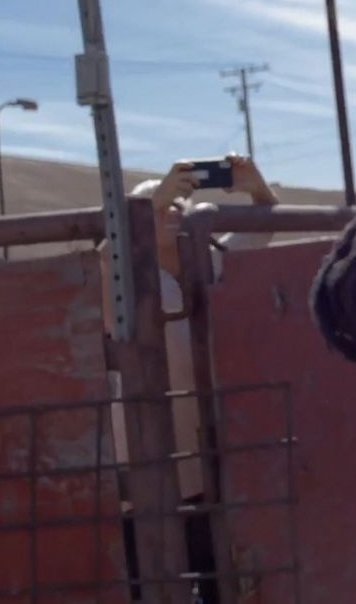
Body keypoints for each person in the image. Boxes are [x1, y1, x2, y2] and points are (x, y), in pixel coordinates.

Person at [122, 154, 279, 600]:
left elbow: (264, 224)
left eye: (177, 204)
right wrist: (154, 199)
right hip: (144, 472)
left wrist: (256, 187)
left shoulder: (209, 261)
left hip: (207, 464)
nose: (170, 211)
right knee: (146, 582)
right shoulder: (123, 278)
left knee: (219, 578)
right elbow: (105, 256)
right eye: (156, 205)